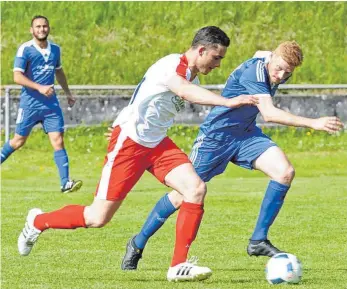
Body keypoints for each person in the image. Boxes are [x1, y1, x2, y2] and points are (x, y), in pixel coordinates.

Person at [17, 26, 259, 282]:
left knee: (195, 189)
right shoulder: (172, 65)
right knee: (97, 217)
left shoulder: (192, 77)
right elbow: (184, 91)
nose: (218, 64)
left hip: (156, 144)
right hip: (130, 143)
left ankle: (178, 266)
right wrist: (227, 100)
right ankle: (38, 221)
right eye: (216, 57)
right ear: (201, 50)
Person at [120, 41, 344, 271]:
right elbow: (269, 113)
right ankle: (137, 243)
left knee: (284, 172)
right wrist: (313, 123)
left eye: (288, 72)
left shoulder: (270, 61)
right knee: (181, 195)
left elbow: (265, 57)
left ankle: (258, 240)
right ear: (272, 59)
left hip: (246, 135)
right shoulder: (255, 72)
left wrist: (277, 62)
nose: (281, 75)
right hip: (215, 138)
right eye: (279, 68)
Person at [1, 15, 82, 193]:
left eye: (44, 26)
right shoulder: (25, 50)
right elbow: (17, 76)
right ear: (32, 30)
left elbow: (59, 72)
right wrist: (39, 87)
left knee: (58, 140)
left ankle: (65, 183)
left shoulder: (55, 50)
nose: (41, 29)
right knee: (18, 141)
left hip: (51, 106)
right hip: (29, 105)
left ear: (49, 28)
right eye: (38, 27)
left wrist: (68, 93)